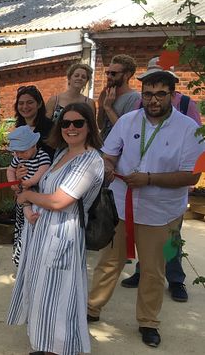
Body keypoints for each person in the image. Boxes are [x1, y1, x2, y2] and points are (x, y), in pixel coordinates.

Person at [87, 71, 203, 348]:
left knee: (153, 270)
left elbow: (191, 176)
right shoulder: (127, 121)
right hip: (120, 207)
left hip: (161, 213)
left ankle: (148, 322)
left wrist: (149, 179)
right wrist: (108, 167)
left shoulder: (188, 129)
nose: (153, 100)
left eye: (160, 94)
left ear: (172, 95)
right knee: (109, 262)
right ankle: (92, 308)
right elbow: (109, 155)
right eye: (148, 94)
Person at [7, 102, 105, 355]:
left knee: (60, 297)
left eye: (78, 123)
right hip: (42, 231)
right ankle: (43, 345)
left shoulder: (90, 160)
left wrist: (27, 196)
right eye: (65, 123)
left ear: (89, 126)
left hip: (64, 234)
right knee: (42, 291)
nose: (71, 128)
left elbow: (60, 201)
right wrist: (25, 188)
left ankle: (58, 349)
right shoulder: (62, 153)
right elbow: (45, 188)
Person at [121, 58, 203, 301]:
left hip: (171, 188)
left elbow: (196, 146)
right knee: (146, 240)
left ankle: (176, 280)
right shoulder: (140, 105)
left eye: (160, 88)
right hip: (139, 188)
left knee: (171, 239)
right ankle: (142, 272)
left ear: (171, 85)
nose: (153, 97)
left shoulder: (187, 105)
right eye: (149, 88)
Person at [5, 125, 51, 267]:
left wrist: (30, 181)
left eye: (22, 151)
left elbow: (43, 169)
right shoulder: (19, 157)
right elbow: (10, 170)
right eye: (16, 152)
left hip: (36, 190)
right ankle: (20, 260)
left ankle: (29, 214)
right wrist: (13, 182)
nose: (19, 155)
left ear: (34, 145)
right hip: (22, 190)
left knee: (28, 203)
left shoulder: (42, 156)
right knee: (24, 207)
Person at [97, 54, 142, 139]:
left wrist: (108, 108)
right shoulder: (108, 95)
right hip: (103, 146)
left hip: (119, 150)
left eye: (113, 74)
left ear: (127, 75)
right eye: (108, 73)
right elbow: (100, 125)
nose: (109, 77)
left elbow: (126, 131)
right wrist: (101, 106)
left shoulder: (134, 97)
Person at [14, 85, 55, 159]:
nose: (25, 107)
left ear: (39, 104)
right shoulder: (19, 129)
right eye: (21, 103)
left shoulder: (50, 128)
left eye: (30, 102)